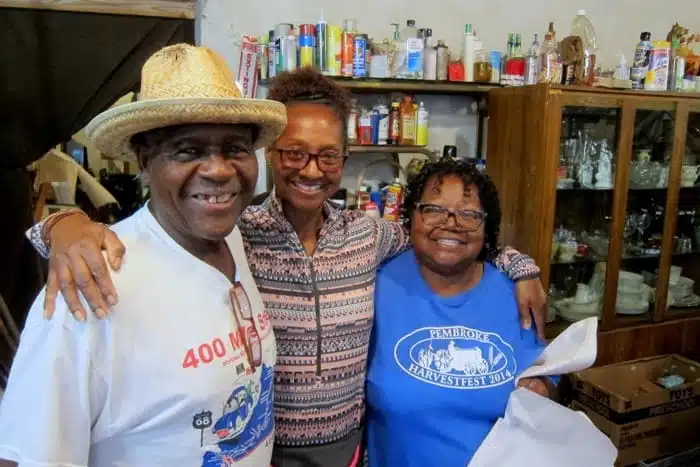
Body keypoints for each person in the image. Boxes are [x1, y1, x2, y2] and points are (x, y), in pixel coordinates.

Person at [27, 68, 547, 467]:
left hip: (346, 447)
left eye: (329, 156)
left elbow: (445, 237)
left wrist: (519, 265)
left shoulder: (369, 234)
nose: (312, 170)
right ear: (272, 154)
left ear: (345, 159)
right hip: (263, 447)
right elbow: (158, 237)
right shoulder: (233, 231)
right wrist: (60, 226)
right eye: (294, 153)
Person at [0, 44, 286, 466]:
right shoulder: (90, 287)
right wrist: (59, 225)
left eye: (235, 148)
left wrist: (58, 223)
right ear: (145, 159)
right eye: (188, 150)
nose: (219, 170)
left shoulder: (234, 239)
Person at [366, 158, 556, 466]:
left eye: (468, 214)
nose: (451, 223)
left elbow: (546, 373)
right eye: (434, 209)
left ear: (487, 227)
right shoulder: (375, 287)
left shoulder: (517, 295)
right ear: (410, 217)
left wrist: (542, 388)